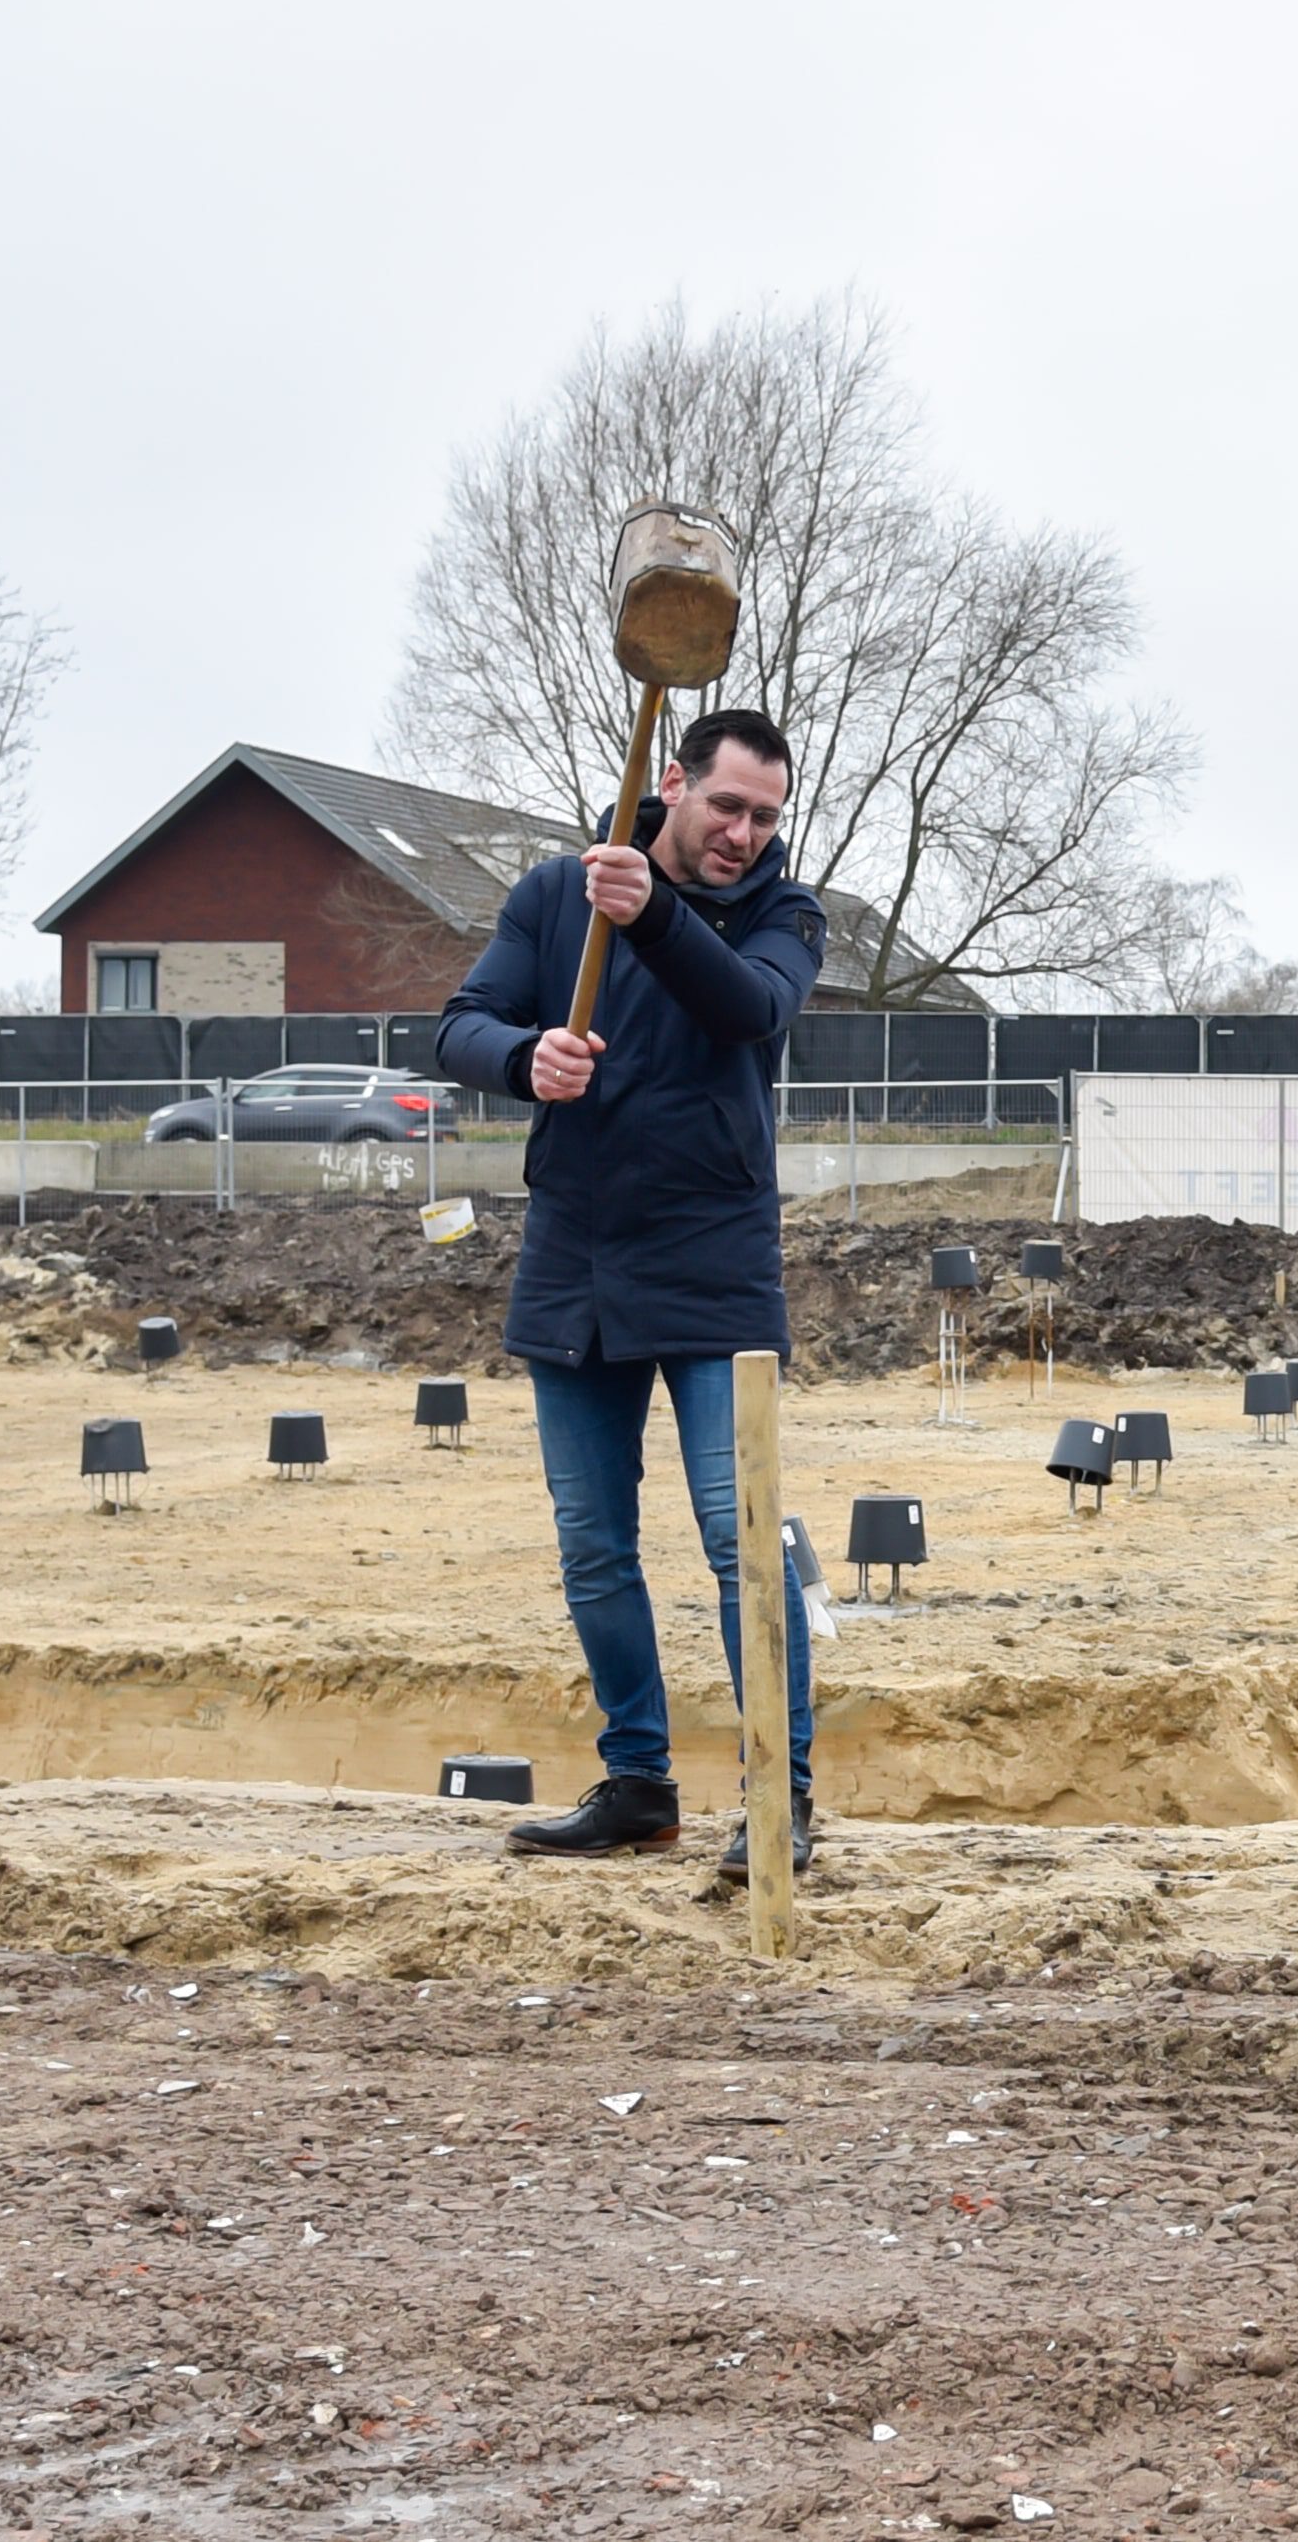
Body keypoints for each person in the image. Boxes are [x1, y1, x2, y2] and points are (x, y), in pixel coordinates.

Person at [438, 705, 829, 1884]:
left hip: (715, 1261)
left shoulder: (783, 913)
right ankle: (639, 1786)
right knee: (594, 1546)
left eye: (766, 815)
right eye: (728, 807)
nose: (746, 835)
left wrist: (652, 913)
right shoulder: (558, 895)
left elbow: (749, 1009)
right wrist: (524, 1061)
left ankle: (782, 1800)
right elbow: (458, 1025)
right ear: (673, 783)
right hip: (578, 1259)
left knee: (740, 1539)